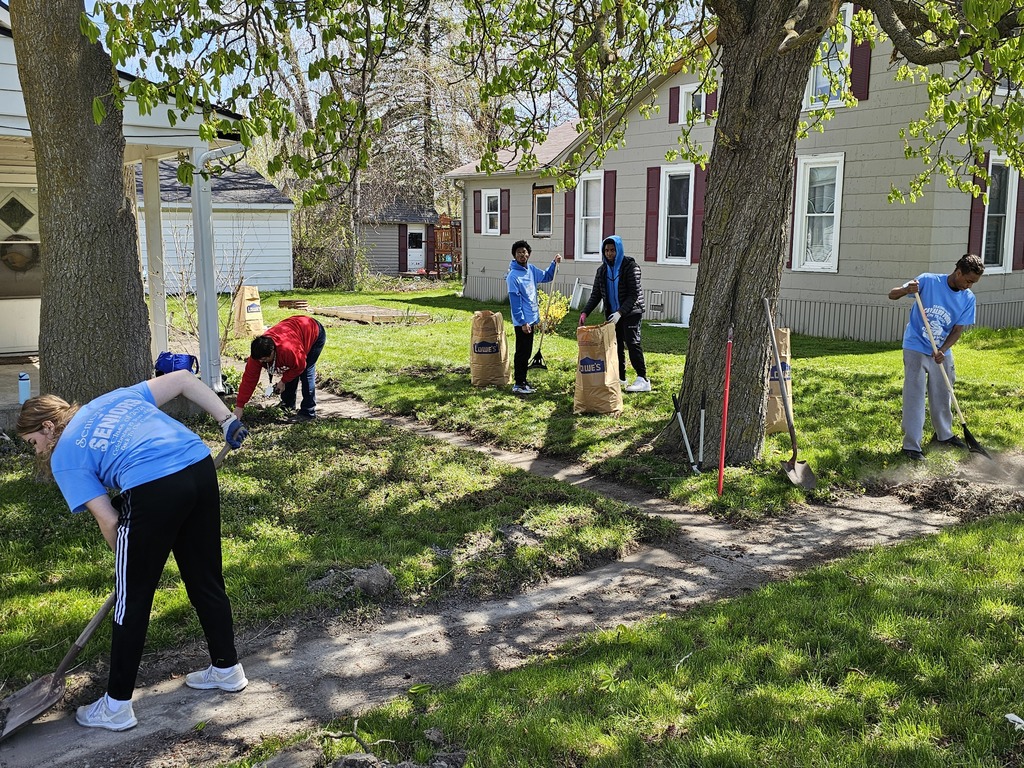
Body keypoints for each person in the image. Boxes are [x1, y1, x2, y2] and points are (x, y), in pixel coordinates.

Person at [16, 370, 250, 732]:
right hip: (197, 466)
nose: (38, 450)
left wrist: (129, 568)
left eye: (34, 442)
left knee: (132, 598)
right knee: (205, 576)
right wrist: (226, 420)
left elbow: (109, 521)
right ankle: (227, 668)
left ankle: (116, 706)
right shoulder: (108, 400)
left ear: (48, 427)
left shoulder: (64, 457)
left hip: (152, 486)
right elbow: (184, 379)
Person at [888, 253, 984, 461]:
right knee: (914, 396)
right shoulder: (929, 281)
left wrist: (943, 349)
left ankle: (943, 436)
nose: (970, 286)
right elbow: (892, 295)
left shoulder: (968, 298)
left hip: (941, 350)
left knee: (943, 393)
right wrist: (907, 290)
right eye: (968, 280)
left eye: (973, 283)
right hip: (915, 345)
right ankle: (911, 446)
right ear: (958, 272)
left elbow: (958, 330)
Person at [578, 235, 650, 392]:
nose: (609, 253)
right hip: (613, 314)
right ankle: (620, 377)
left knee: (632, 343)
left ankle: (642, 379)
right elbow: (596, 294)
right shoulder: (602, 270)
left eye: (612, 250)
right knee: (615, 346)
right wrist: (585, 312)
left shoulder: (631, 266)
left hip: (631, 311)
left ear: (619, 250)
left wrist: (620, 312)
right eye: (606, 250)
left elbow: (634, 294)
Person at [234, 314, 327, 421]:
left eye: (264, 360)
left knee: (306, 371)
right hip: (294, 329)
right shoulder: (257, 355)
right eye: (259, 360)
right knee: (289, 368)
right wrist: (239, 406)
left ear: (273, 351)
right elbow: (249, 380)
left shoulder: (288, 350)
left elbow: (299, 366)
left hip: (313, 331)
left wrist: (283, 381)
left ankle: (308, 412)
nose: (261, 362)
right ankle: (287, 405)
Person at [506, 240, 561, 395]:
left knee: (526, 351)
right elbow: (515, 304)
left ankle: (523, 381)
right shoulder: (513, 276)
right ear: (514, 255)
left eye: (524, 252)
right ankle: (518, 384)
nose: (522, 255)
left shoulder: (531, 270)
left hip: (531, 320)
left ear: (528, 253)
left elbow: (547, 276)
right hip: (522, 323)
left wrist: (554, 263)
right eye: (519, 253)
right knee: (522, 352)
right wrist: (523, 322)